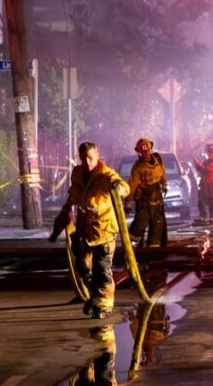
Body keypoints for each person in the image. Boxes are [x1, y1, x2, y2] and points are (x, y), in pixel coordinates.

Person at [66, 141, 130, 319]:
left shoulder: (105, 175)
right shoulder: (78, 174)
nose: (87, 162)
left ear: (97, 155)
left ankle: (103, 306)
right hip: (84, 231)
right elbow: (74, 193)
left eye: (90, 158)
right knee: (82, 266)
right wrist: (66, 209)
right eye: (83, 158)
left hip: (104, 231)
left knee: (102, 269)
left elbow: (122, 185)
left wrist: (119, 189)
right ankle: (95, 296)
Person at [126, 137, 167, 247]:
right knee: (140, 222)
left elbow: (162, 172)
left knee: (157, 224)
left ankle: (154, 248)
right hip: (144, 199)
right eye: (143, 152)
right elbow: (132, 184)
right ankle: (130, 245)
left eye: (147, 151)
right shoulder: (138, 166)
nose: (146, 154)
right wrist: (128, 202)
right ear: (139, 152)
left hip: (157, 196)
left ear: (150, 149)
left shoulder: (157, 158)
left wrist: (164, 184)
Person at [193, 144, 213, 225]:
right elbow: (201, 169)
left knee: (212, 201)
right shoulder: (207, 161)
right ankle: (203, 218)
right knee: (201, 201)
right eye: (208, 152)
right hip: (204, 184)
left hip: (212, 184)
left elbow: (209, 170)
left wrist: (198, 164)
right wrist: (197, 165)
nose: (209, 154)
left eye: (210, 152)